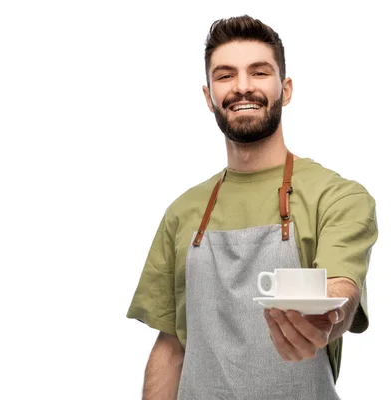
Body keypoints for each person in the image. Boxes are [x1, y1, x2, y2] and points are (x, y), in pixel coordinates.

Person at [127, 15, 378, 400]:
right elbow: (173, 346)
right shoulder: (182, 212)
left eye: (259, 72)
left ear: (286, 89)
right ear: (209, 96)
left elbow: (342, 288)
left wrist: (323, 320)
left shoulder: (337, 196)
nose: (242, 87)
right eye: (225, 76)